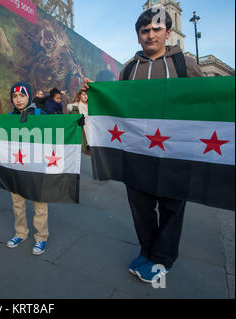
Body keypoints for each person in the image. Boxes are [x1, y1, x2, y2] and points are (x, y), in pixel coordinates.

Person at [84, 8, 203, 283]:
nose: (151, 35)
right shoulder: (128, 69)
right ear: (138, 37)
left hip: (175, 155)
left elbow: (206, 102)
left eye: (156, 29)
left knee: (172, 209)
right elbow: (117, 105)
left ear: (168, 33)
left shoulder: (186, 65)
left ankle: (163, 258)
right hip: (138, 155)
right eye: (145, 31)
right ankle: (147, 251)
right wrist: (96, 93)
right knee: (141, 207)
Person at [6, 81, 49, 255]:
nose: (18, 99)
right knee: (17, 203)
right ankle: (21, 233)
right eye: (15, 96)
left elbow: (58, 128)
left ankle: (41, 237)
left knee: (39, 204)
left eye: (22, 95)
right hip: (15, 167)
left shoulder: (41, 114)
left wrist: (76, 123)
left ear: (29, 96)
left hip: (36, 167)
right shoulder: (9, 116)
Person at [67, 89, 89, 154]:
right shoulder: (75, 107)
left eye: (87, 94)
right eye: (84, 94)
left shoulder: (91, 106)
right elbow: (74, 124)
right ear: (79, 96)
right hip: (82, 136)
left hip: (92, 136)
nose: (86, 96)